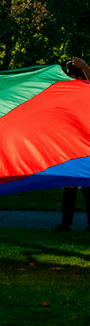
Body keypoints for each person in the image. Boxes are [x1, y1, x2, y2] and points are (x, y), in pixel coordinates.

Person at [56, 58, 90, 232]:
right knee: (70, 187)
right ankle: (65, 224)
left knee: (86, 187)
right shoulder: (69, 92)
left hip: (86, 146)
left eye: (72, 76)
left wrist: (84, 66)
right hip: (72, 144)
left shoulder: (85, 89)